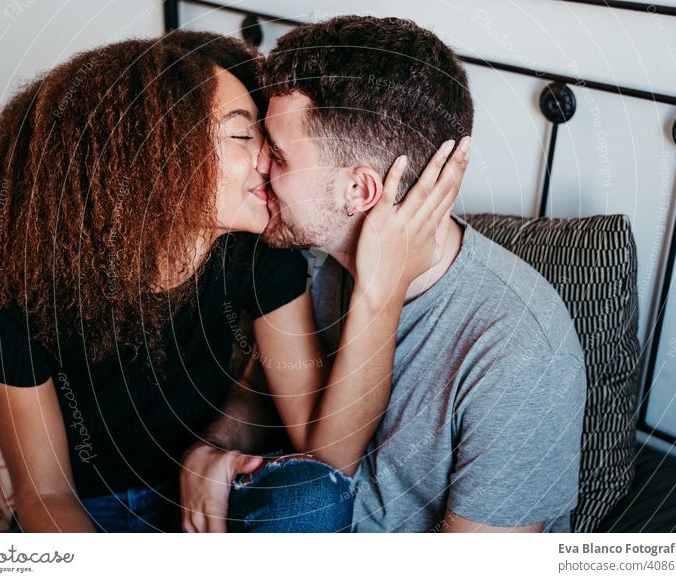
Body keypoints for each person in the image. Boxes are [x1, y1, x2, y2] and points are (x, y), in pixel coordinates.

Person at [0, 30, 468, 533]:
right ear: (156, 158)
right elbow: (45, 493)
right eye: (243, 133)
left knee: (311, 498)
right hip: (96, 511)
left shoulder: (255, 251)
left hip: (220, 491)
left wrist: (380, 289)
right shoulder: (16, 292)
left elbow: (327, 456)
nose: (266, 159)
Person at [187, 15, 587, 533]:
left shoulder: (517, 354)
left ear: (359, 191)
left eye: (279, 154)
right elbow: (272, 382)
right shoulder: (319, 258)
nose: (259, 164)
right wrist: (216, 444)